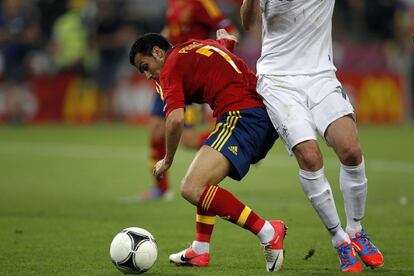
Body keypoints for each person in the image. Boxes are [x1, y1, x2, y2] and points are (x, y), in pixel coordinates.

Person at [240, 0, 384, 273]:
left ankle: (355, 231)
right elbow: (248, 23)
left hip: (321, 76)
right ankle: (339, 240)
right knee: (310, 155)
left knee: (351, 150)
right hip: (279, 80)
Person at [129, 29, 287, 271]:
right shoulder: (192, 46)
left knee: (191, 187)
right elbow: (221, 48)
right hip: (263, 112)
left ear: (158, 52)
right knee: (202, 181)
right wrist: (227, 43)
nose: (148, 75)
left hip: (241, 116)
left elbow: (175, 119)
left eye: (145, 66)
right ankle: (200, 250)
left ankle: (268, 231)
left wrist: (167, 159)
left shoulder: (170, 66)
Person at [138, 0, 238, 200]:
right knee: (156, 129)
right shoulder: (173, 3)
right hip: (166, 74)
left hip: (188, 75)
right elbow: (170, 30)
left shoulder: (202, 3)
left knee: (188, 140)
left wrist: (223, 47)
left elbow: (227, 27)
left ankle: (236, 139)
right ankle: (161, 188)